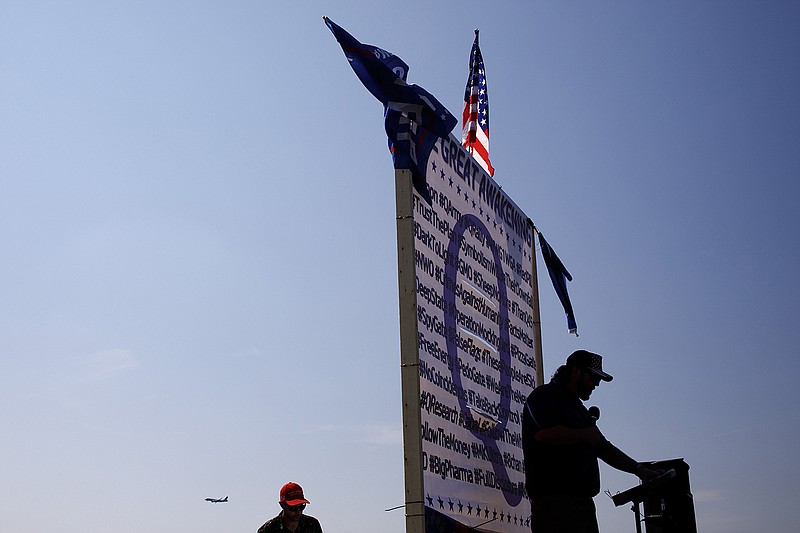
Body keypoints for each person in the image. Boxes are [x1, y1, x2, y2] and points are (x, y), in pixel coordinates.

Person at [521, 350, 661, 533]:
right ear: (576, 372)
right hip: (555, 506)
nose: (596, 384)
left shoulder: (578, 409)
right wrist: (584, 435)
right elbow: (544, 434)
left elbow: (603, 447)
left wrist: (638, 469)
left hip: (582, 507)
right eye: (594, 377)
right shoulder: (544, 396)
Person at [257, 482, 323, 533]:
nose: (298, 512)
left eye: (301, 506)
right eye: (293, 507)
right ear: (282, 505)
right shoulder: (268, 530)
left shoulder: (312, 524)